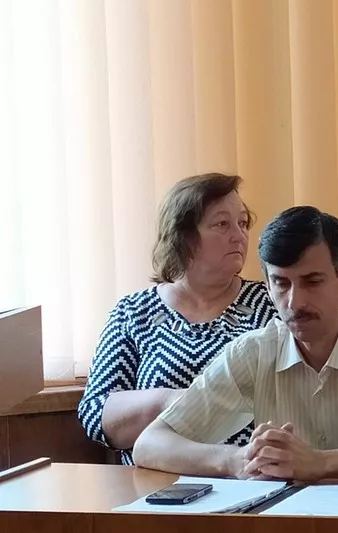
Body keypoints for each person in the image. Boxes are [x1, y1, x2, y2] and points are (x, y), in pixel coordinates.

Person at [133, 206, 338, 481]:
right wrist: (235, 460)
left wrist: (321, 463)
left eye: (312, 281)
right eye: (281, 283)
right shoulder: (252, 352)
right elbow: (150, 444)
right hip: (286, 530)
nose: (295, 302)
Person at [78, 173, 277, 464]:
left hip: (252, 475)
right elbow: (95, 415)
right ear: (183, 236)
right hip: (156, 480)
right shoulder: (134, 312)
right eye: (222, 224)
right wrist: (172, 402)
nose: (239, 235)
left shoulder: (271, 303)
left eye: (243, 223)